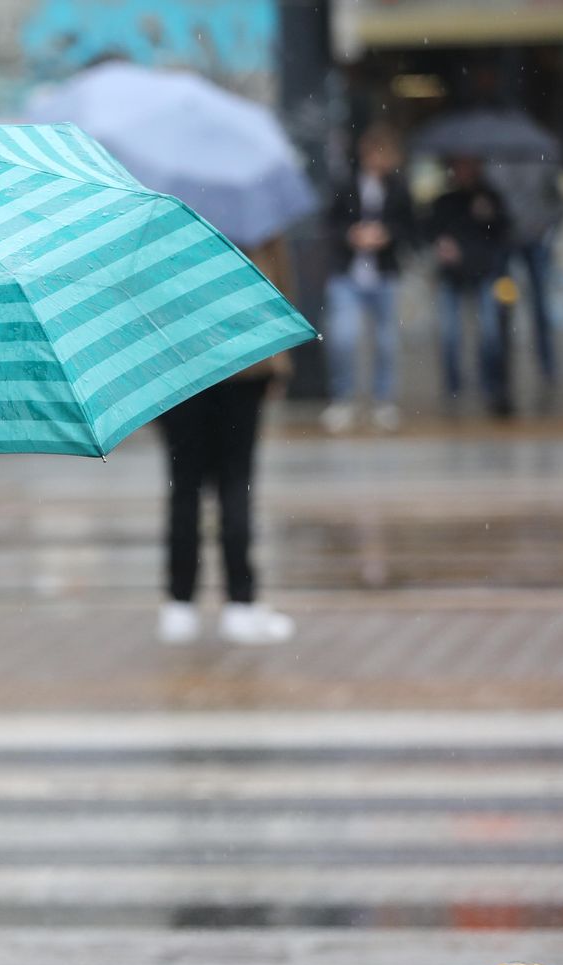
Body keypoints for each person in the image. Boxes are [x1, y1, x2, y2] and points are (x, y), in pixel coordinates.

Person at [157, 237, 298, 648]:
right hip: (244, 363)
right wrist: (280, 359)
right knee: (235, 484)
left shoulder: (164, 211)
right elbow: (280, 291)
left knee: (183, 487)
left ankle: (179, 605)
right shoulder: (254, 209)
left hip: (178, 364)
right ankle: (240, 603)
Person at [321, 125, 414, 433]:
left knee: (387, 341)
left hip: (383, 273)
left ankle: (383, 399)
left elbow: (409, 226)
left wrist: (387, 236)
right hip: (348, 273)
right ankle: (342, 397)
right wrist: (352, 235)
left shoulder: (399, 189)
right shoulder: (345, 185)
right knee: (343, 337)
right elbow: (329, 224)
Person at [426, 155, 511, 416]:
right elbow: (430, 230)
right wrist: (442, 246)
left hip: (484, 272)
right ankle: (453, 387)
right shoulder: (445, 201)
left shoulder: (490, 198)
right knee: (450, 334)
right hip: (452, 275)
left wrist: (490, 216)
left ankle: (490, 385)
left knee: (490, 334)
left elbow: (504, 234)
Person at [488, 156, 563, 406]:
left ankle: (547, 367)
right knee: (502, 308)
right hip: (503, 242)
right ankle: (502, 374)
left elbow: (558, 202)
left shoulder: (541, 157)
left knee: (540, 306)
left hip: (535, 241)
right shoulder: (493, 159)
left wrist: (546, 227)